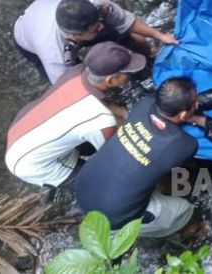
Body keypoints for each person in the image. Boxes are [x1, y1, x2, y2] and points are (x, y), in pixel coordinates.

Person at [5, 42, 146, 188]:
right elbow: (115, 157)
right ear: (111, 80)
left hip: (22, 127)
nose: (130, 75)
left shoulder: (77, 72)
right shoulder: (99, 119)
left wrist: (121, 112)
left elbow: (96, 103)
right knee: (100, 185)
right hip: (29, 162)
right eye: (127, 73)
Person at [75, 77, 199, 238]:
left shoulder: (145, 104)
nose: (197, 105)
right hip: (113, 217)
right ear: (183, 114)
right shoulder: (184, 144)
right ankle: (183, 230)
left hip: (83, 189)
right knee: (183, 208)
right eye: (195, 103)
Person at [14, 0, 177, 84]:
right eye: (95, 29)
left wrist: (160, 36)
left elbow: (127, 22)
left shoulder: (96, 4)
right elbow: (67, 86)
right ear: (74, 35)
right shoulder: (54, 52)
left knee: (125, 37)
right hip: (28, 36)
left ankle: (151, 58)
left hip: (52, 5)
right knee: (79, 77)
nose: (101, 27)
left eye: (99, 22)